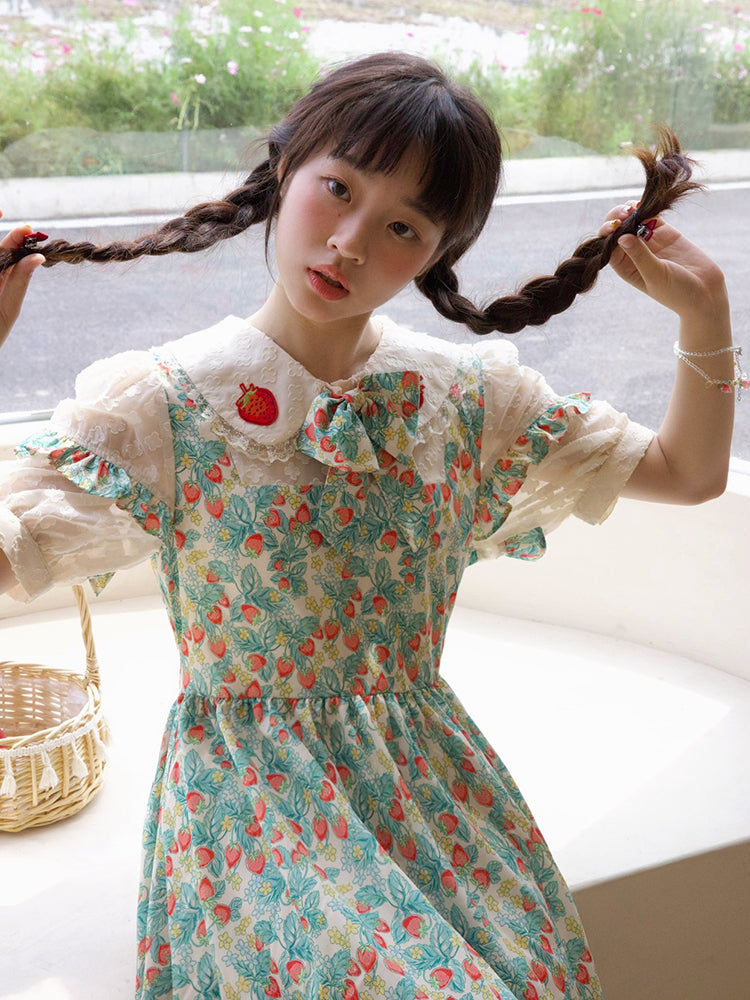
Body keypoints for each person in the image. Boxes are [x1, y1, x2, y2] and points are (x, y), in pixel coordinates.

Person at [0, 52, 740, 1000]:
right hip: (253, 807)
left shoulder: (468, 397)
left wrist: (706, 314)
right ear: (284, 168)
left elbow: (689, 474)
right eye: (338, 188)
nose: (349, 242)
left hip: (433, 795)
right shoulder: (162, 405)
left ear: (434, 254)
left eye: (402, 226)